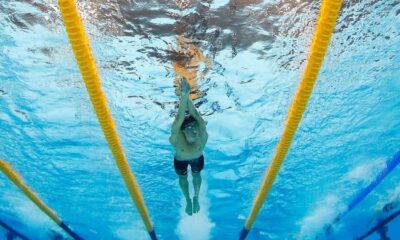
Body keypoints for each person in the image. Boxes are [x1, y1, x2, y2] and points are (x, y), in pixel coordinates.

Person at [170, 78, 208, 216]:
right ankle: (187, 200)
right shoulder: (176, 138)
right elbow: (179, 119)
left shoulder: (202, 135)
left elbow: (196, 115)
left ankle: (196, 197)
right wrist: (184, 96)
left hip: (198, 157)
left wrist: (187, 96)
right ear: (182, 130)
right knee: (183, 178)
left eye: (194, 127)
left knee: (197, 175)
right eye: (189, 127)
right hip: (181, 160)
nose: (194, 130)